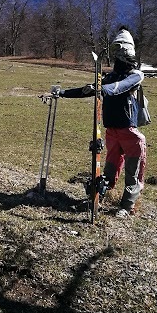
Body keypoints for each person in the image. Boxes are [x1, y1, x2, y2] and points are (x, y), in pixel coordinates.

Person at [56, 27, 146, 217]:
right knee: (110, 168)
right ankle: (99, 195)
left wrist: (100, 88)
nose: (117, 56)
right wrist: (63, 93)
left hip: (129, 132)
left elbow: (118, 88)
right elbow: (87, 90)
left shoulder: (136, 75)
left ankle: (126, 206)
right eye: (115, 52)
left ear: (127, 52)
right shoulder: (109, 77)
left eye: (120, 52)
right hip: (111, 131)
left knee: (133, 171)